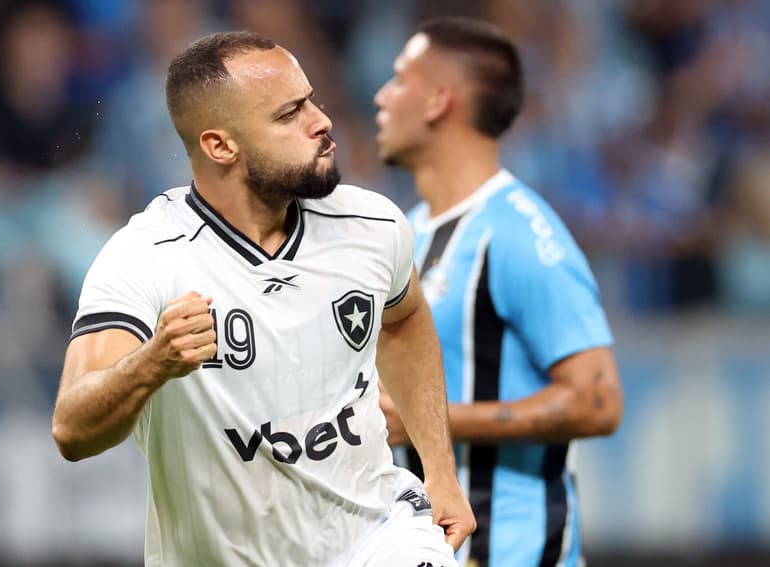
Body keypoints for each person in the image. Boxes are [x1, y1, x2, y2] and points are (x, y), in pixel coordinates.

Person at [51, 30, 475, 566]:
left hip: (377, 535)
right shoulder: (146, 257)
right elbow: (71, 428)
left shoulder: (371, 223)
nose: (321, 121)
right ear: (220, 146)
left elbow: (405, 319)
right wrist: (151, 364)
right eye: (288, 114)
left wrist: (438, 471)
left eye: (312, 100)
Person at [373, 17, 623, 567]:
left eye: (399, 80)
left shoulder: (522, 234)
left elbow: (598, 400)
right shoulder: (405, 233)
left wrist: (428, 420)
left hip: (517, 552)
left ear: (440, 101)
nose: (381, 97)